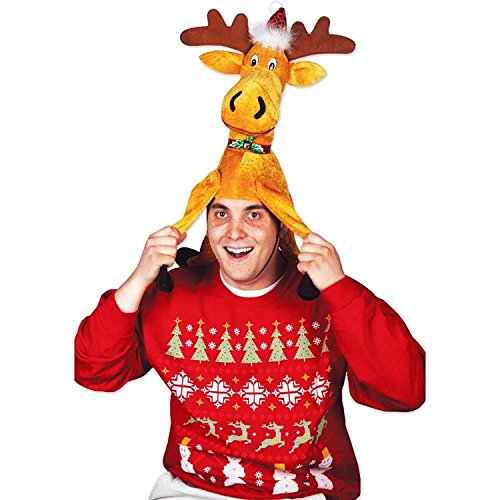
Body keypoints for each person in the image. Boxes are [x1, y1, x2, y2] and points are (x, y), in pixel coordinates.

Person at [75, 197, 425, 500]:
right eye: (221, 214)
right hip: (194, 489)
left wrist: (339, 288)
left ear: (282, 225)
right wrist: (139, 277)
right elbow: (95, 371)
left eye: (254, 215)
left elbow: (405, 391)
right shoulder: (169, 292)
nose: (234, 232)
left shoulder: (329, 296)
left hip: (302, 491)